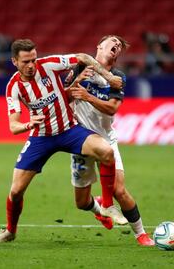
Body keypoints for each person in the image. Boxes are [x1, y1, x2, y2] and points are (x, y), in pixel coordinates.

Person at [0, 39, 127, 243]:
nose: (31, 65)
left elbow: (82, 56)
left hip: (69, 130)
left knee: (106, 151)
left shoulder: (48, 65)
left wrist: (107, 76)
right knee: (16, 190)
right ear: (14, 61)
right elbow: (13, 126)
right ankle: (10, 230)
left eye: (33, 60)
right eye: (26, 61)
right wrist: (29, 124)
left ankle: (107, 205)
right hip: (41, 137)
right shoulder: (13, 87)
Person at [66, 35, 155, 246]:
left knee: (119, 190)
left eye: (119, 47)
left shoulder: (117, 77)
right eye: (113, 42)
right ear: (99, 46)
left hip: (106, 138)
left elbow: (112, 108)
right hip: (80, 140)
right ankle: (99, 207)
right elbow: (64, 97)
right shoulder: (79, 68)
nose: (117, 46)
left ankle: (141, 234)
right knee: (81, 202)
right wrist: (76, 84)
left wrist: (87, 96)